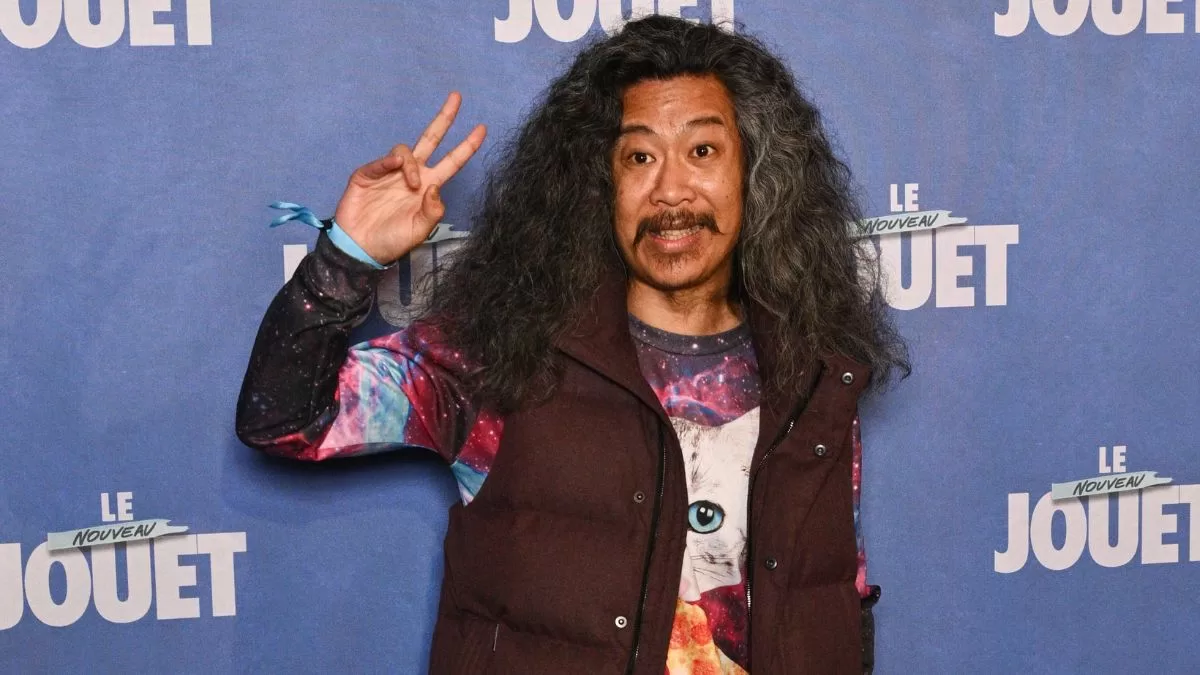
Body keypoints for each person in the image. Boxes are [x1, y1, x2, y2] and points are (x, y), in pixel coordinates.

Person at [237, 15, 907, 675]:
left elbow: (834, 598)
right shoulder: (500, 352)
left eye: (702, 151)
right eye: (639, 157)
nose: (670, 190)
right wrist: (346, 258)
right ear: (598, 183)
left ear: (756, 171)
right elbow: (285, 419)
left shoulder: (816, 369)